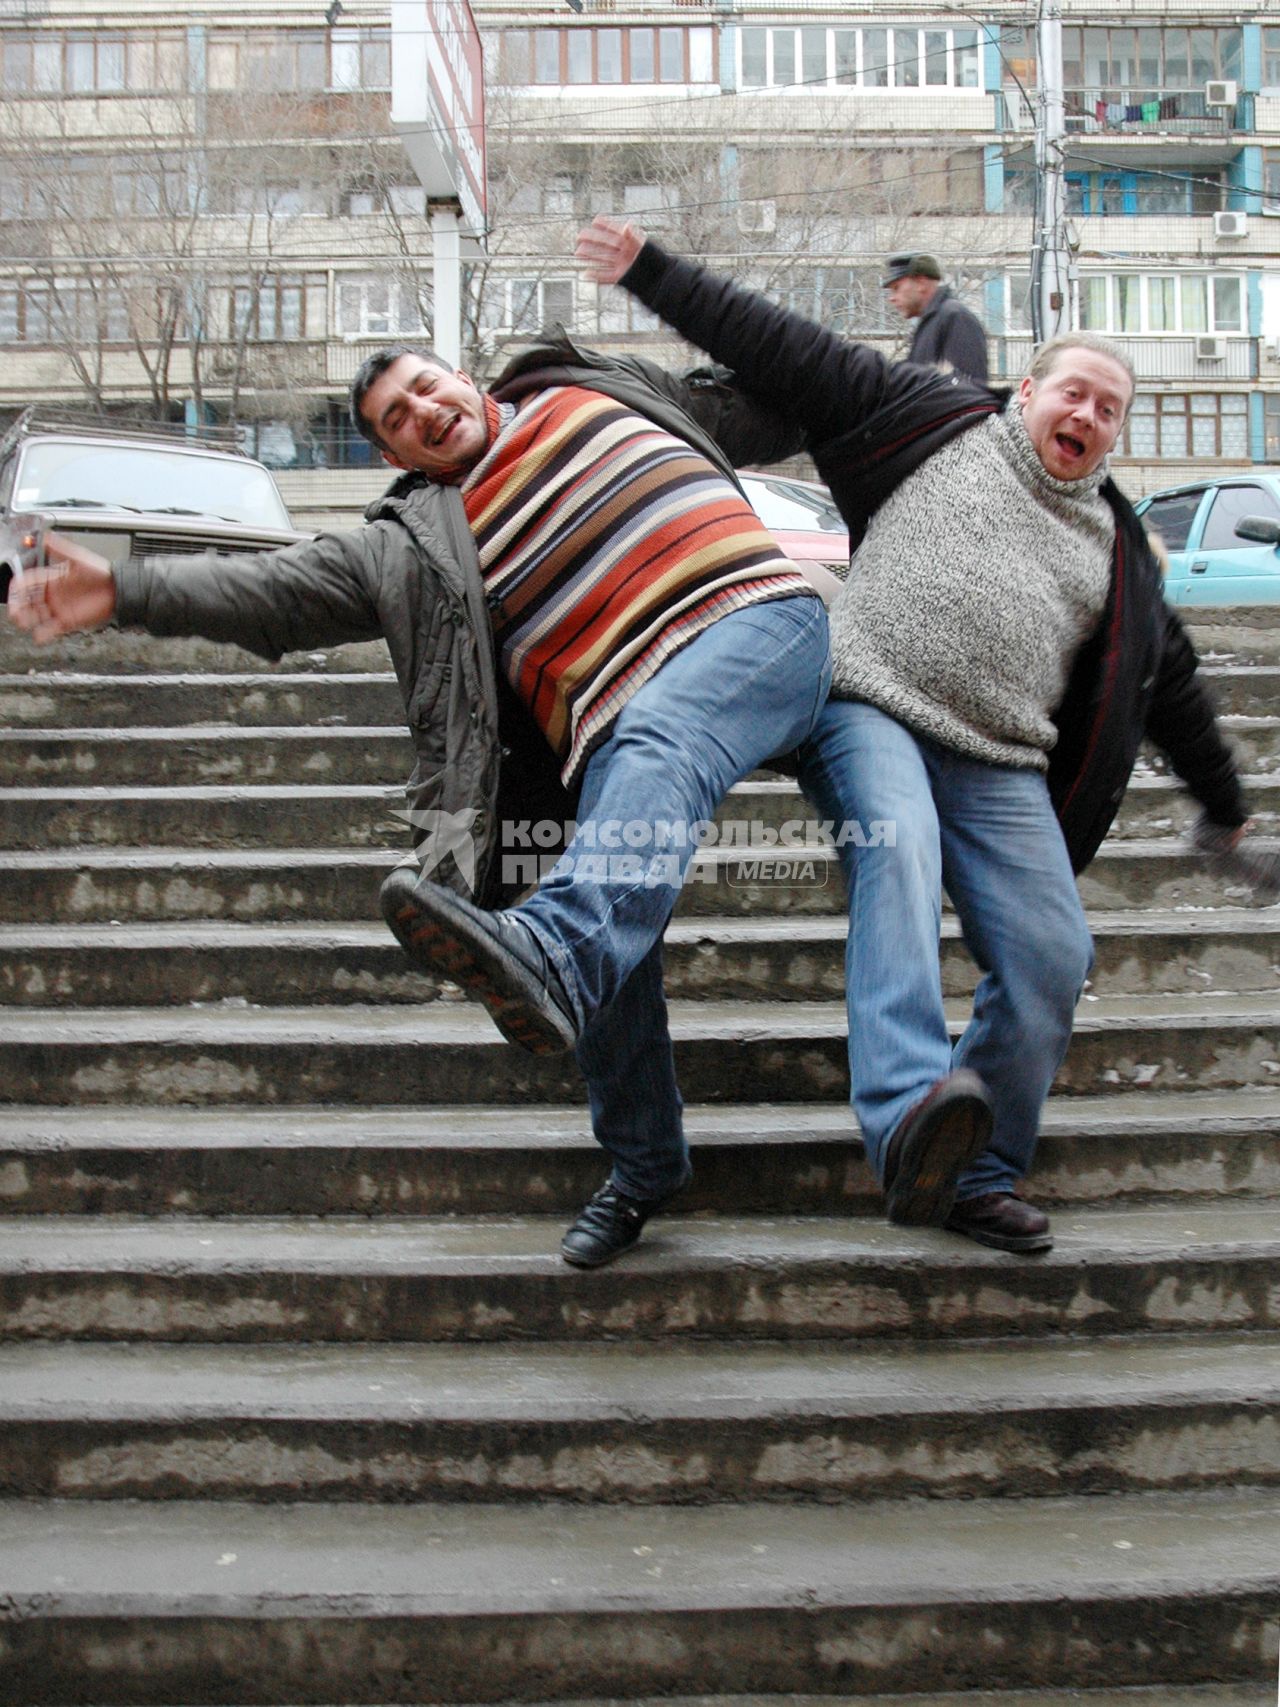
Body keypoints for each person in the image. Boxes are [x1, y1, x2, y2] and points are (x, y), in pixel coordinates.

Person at [6, 338, 830, 1270]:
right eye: (396, 420)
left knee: (641, 767)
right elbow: (275, 590)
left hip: (752, 627)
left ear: (467, 380)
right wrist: (126, 586)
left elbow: (792, 394)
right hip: (594, 724)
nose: (423, 411)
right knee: (602, 939)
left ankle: (552, 950)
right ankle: (644, 1166)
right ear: (396, 458)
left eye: (426, 387)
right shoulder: (410, 542)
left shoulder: (601, 390)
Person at [576, 214, 1258, 1256]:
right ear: (1023, 393)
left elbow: (1174, 694)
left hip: (999, 761)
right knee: (893, 866)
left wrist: (1225, 811)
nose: (1084, 413)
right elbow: (782, 342)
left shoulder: (1119, 551)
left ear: (1114, 435)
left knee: (1049, 950)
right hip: (867, 705)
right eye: (1069, 391)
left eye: (1106, 410)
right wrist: (651, 273)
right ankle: (904, 1120)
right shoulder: (928, 418)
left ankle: (970, 1168)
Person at [882, 252, 989, 385]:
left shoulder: (955, 317)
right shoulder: (930, 322)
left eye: (896, 288)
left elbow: (970, 389)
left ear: (921, 283)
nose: (891, 298)